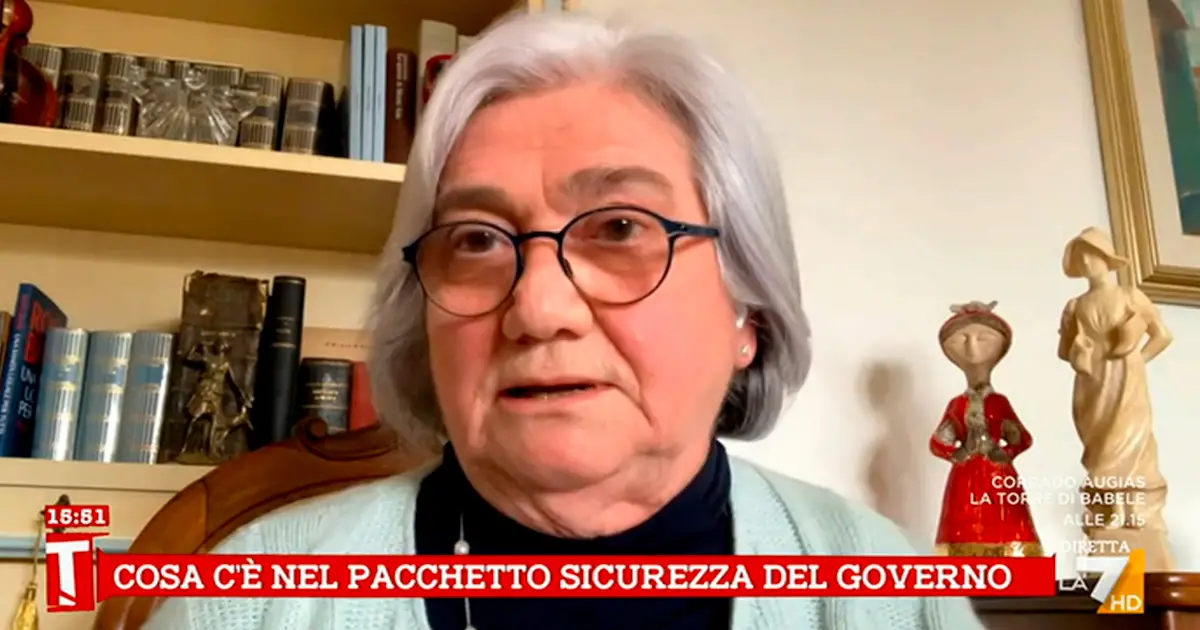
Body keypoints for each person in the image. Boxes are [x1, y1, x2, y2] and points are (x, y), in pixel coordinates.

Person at [145, 10, 985, 630]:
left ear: (747, 309)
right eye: (477, 240)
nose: (539, 311)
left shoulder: (895, 599)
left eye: (619, 228)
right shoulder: (244, 605)